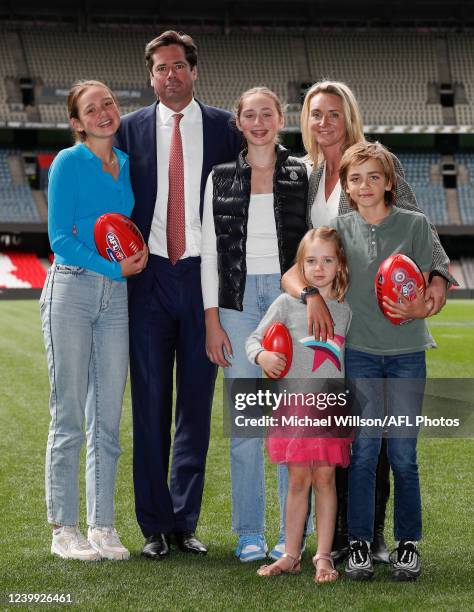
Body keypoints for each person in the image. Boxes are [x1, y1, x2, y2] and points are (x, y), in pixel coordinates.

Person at [281, 80, 457, 564]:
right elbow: (301, 257)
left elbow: (427, 243)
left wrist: (433, 290)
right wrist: (312, 294)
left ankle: (378, 539)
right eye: (316, 113)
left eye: (334, 113)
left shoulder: (380, 163)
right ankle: (338, 540)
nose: (324, 122)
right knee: (346, 444)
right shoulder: (304, 172)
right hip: (338, 332)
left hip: (391, 340)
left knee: (389, 451)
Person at [115, 31, 241, 559]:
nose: (170, 75)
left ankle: (184, 521)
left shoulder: (224, 129)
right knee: (149, 405)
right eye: (161, 68)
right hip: (147, 280)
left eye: (179, 66)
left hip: (200, 279)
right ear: (151, 77)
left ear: (194, 71)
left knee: (194, 405)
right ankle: (153, 526)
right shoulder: (127, 129)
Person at [40, 80, 147, 561]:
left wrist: (133, 256)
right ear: (77, 122)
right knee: (68, 418)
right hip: (73, 289)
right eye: (91, 108)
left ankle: (102, 525)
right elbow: (60, 237)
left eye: (108, 103)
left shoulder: (125, 164)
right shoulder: (68, 161)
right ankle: (64, 528)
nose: (104, 112)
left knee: (107, 417)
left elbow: (119, 230)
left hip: (116, 297)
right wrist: (113, 267)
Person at [201, 87, 309, 562]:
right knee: (247, 427)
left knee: (292, 424)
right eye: (250, 115)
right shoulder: (220, 177)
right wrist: (212, 319)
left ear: (280, 118)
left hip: (290, 301)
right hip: (238, 303)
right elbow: (209, 253)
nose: (259, 121)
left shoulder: (302, 172)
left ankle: (292, 533)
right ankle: (249, 534)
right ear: (239, 123)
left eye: (267, 113)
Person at [332, 141, 434, 581]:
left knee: (404, 455)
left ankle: (407, 543)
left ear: (389, 181)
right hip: (361, 355)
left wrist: (424, 306)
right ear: (347, 187)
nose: (365, 185)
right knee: (365, 452)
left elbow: (429, 288)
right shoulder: (338, 229)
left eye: (375, 176)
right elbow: (310, 269)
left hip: (407, 353)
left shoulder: (415, 224)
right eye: (356, 179)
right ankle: (359, 542)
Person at [245, 227, 352, 582]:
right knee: (297, 481)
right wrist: (262, 356)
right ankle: (290, 553)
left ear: (340, 265)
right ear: (300, 265)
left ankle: (323, 556)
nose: (319, 268)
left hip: (329, 410)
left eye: (327, 260)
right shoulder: (285, 304)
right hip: (292, 408)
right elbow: (253, 339)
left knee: (325, 479)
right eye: (311, 261)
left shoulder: (345, 311)